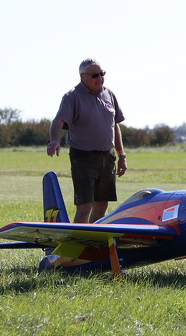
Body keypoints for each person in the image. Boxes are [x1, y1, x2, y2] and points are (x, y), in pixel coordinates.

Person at [47, 58, 127, 223]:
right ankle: (78, 244)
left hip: (107, 157)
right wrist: (54, 140)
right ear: (82, 77)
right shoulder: (72, 97)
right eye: (95, 75)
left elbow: (115, 125)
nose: (100, 78)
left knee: (102, 204)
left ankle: (93, 241)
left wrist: (121, 155)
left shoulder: (109, 94)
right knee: (85, 206)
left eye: (102, 74)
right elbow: (58, 121)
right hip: (83, 158)